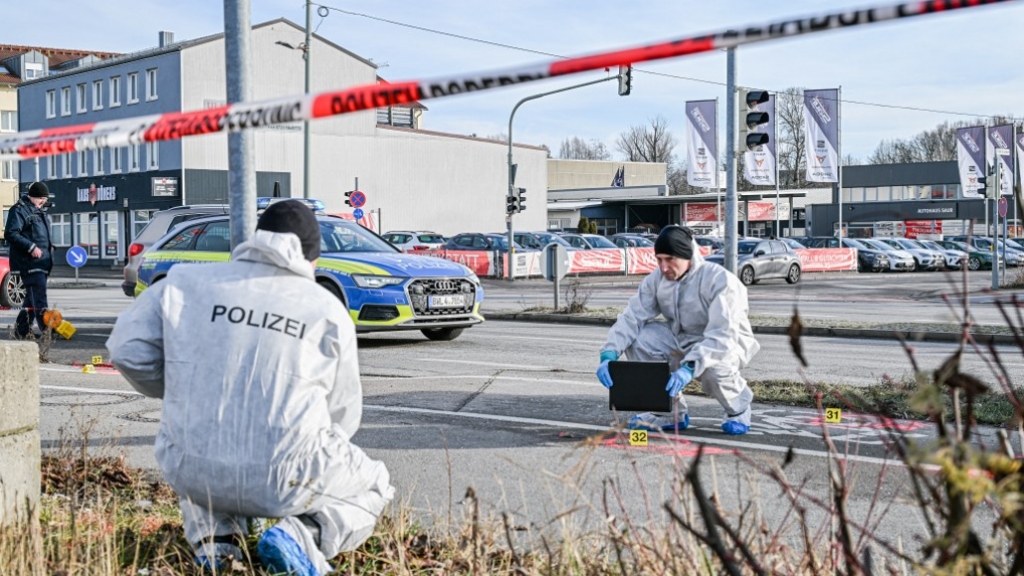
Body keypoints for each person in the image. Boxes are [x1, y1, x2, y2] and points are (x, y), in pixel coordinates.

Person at [107, 200, 394, 575]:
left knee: (202, 439)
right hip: (287, 478)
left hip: (191, 469)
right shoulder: (325, 309)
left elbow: (126, 349)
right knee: (375, 483)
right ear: (312, 259)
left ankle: (216, 544)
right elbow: (342, 414)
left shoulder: (184, 282)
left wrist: (188, 390)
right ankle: (303, 535)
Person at [596, 225, 760, 435]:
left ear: (687, 255)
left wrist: (690, 367)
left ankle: (738, 407)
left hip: (726, 343)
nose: (664, 267)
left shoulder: (719, 281)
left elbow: (723, 334)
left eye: (670, 259)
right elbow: (632, 317)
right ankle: (669, 411)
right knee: (640, 339)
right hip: (682, 339)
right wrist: (608, 354)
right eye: (659, 259)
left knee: (714, 369)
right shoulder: (657, 280)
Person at [4, 182, 54, 339]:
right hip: (28, 263)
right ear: (34, 197)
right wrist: (31, 247)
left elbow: (40, 235)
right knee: (38, 297)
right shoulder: (20, 210)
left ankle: (21, 330)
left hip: (40, 264)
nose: (43, 202)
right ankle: (46, 330)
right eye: (42, 199)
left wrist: (49, 247)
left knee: (31, 299)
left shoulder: (38, 212)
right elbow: (11, 233)